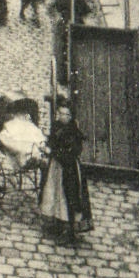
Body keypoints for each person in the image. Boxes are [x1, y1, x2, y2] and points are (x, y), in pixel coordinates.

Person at [38, 97, 92, 243]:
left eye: (66, 114)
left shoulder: (73, 132)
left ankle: (69, 231)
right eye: (61, 113)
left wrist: (52, 152)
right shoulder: (56, 126)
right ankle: (56, 223)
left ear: (71, 116)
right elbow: (52, 140)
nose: (63, 117)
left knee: (67, 198)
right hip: (56, 168)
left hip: (68, 169)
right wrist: (47, 147)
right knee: (53, 194)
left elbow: (71, 153)